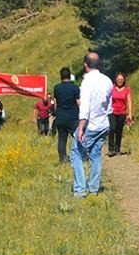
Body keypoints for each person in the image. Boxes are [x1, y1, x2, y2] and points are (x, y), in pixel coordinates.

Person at [73, 52, 112, 197]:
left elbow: (85, 107)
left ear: (85, 65)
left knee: (76, 153)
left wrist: (81, 128)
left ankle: (80, 190)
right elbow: (109, 105)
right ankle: (94, 188)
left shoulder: (87, 82)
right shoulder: (107, 80)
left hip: (91, 124)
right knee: (96, 155)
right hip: (103, 123)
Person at [53, 67, 81, 164]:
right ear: (70, 76)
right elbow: (78, 102)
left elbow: (55, 103)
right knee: (77, 137)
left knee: (62, 139)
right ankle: (79, 156)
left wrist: (56, 114)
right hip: (72, 117)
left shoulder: (56, 88)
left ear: (61, 76)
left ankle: (62, 159)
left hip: (60, 116)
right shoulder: (75, 88)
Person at [108, 73, 133, 156]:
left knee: (119, 131)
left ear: (124, 80)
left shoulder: (127, 89)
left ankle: (117, 148)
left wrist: (130, 113)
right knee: (112, 129)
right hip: (112, 111)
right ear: (115, 79)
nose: (120, 81)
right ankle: (111, 149)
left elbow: (129, 101)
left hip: (122, 112)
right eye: (118, 79)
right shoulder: (112, 88)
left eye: (122, 79)